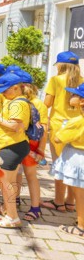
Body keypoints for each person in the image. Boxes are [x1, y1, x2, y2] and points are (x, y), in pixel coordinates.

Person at [42, 51, 82, 213]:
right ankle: (71, 202)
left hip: (59, 126)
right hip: (78, 126)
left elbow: (47, 103)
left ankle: (59, 201)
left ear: (61, 65)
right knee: (73, 165)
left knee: (59, 165)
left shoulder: (55, 80)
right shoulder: (82, 81)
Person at [0, 73, 31, 228]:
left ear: (16, 87)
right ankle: (8, 211)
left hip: (12, 146)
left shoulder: (17, 104)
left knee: (6, 183)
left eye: (5, 90)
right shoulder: (13, 101)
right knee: (10, 182)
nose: (3, 93)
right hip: (12, 145)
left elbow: (15, 126)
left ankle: (12, 217)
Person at [53, 82, 84, 237]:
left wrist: (62, 128)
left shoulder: (77, 121)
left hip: (78, 157)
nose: (71, 96)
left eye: (75, 95)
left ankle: (81, 227)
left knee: (80, 194)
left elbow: (58, 138)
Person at [14, 70, 46, 221]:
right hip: (17, 141)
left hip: (31, 144)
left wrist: (41, 149)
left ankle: (35, 207)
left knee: (30, 175)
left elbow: (44, 128)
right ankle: (15, 199)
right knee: (17, 174)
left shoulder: (38, 103)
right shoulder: (17, 100)